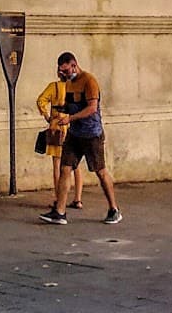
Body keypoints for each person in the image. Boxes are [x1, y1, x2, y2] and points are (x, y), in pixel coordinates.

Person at [39, 52, 121, 225]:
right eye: (61, 71)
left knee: (100, 171)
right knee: (65, 168)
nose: (63, 74)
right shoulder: (68, 84)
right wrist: (58, 113)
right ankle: (60, 211)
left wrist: (70, 118)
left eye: (66, 70)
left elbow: (91, 108)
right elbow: (71, 106)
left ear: (74, 65)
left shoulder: (89, 81)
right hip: (74, 134)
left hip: (92, 134)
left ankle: (114, 209)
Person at [35, 64, 84, 209]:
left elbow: (41, 100)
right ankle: (78, 199)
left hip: (57, 126)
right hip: (73, 125)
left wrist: (47, 116)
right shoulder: (76, 87)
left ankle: (59, 199)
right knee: (76, 165)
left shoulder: (54, 87)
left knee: (57, 165)